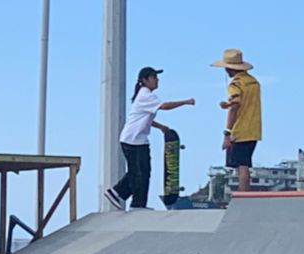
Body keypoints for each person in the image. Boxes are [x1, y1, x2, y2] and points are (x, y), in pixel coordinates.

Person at [106, 67, 194, 210]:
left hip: (137, 139)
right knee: (139, 173)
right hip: (132, 140)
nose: (157, 80)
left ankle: (123, 196)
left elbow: (144, 118)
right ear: (145, 80)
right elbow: (164, 106)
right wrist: (185, 102)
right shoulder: (145, 95)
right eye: (154, 77)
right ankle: (133, 202)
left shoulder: (144, 95)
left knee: (140, 171)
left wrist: (160, 127)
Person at [212, 48, 262, 193]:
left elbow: (234, 108)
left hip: (240, 130)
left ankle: (243, 196)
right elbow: (244, 103)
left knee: (241, 167)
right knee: (245, 163)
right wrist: (228, 104)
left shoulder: (236, 84)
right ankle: (245, 195)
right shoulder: (254, 82)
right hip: (254, 129)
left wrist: (227, 133)